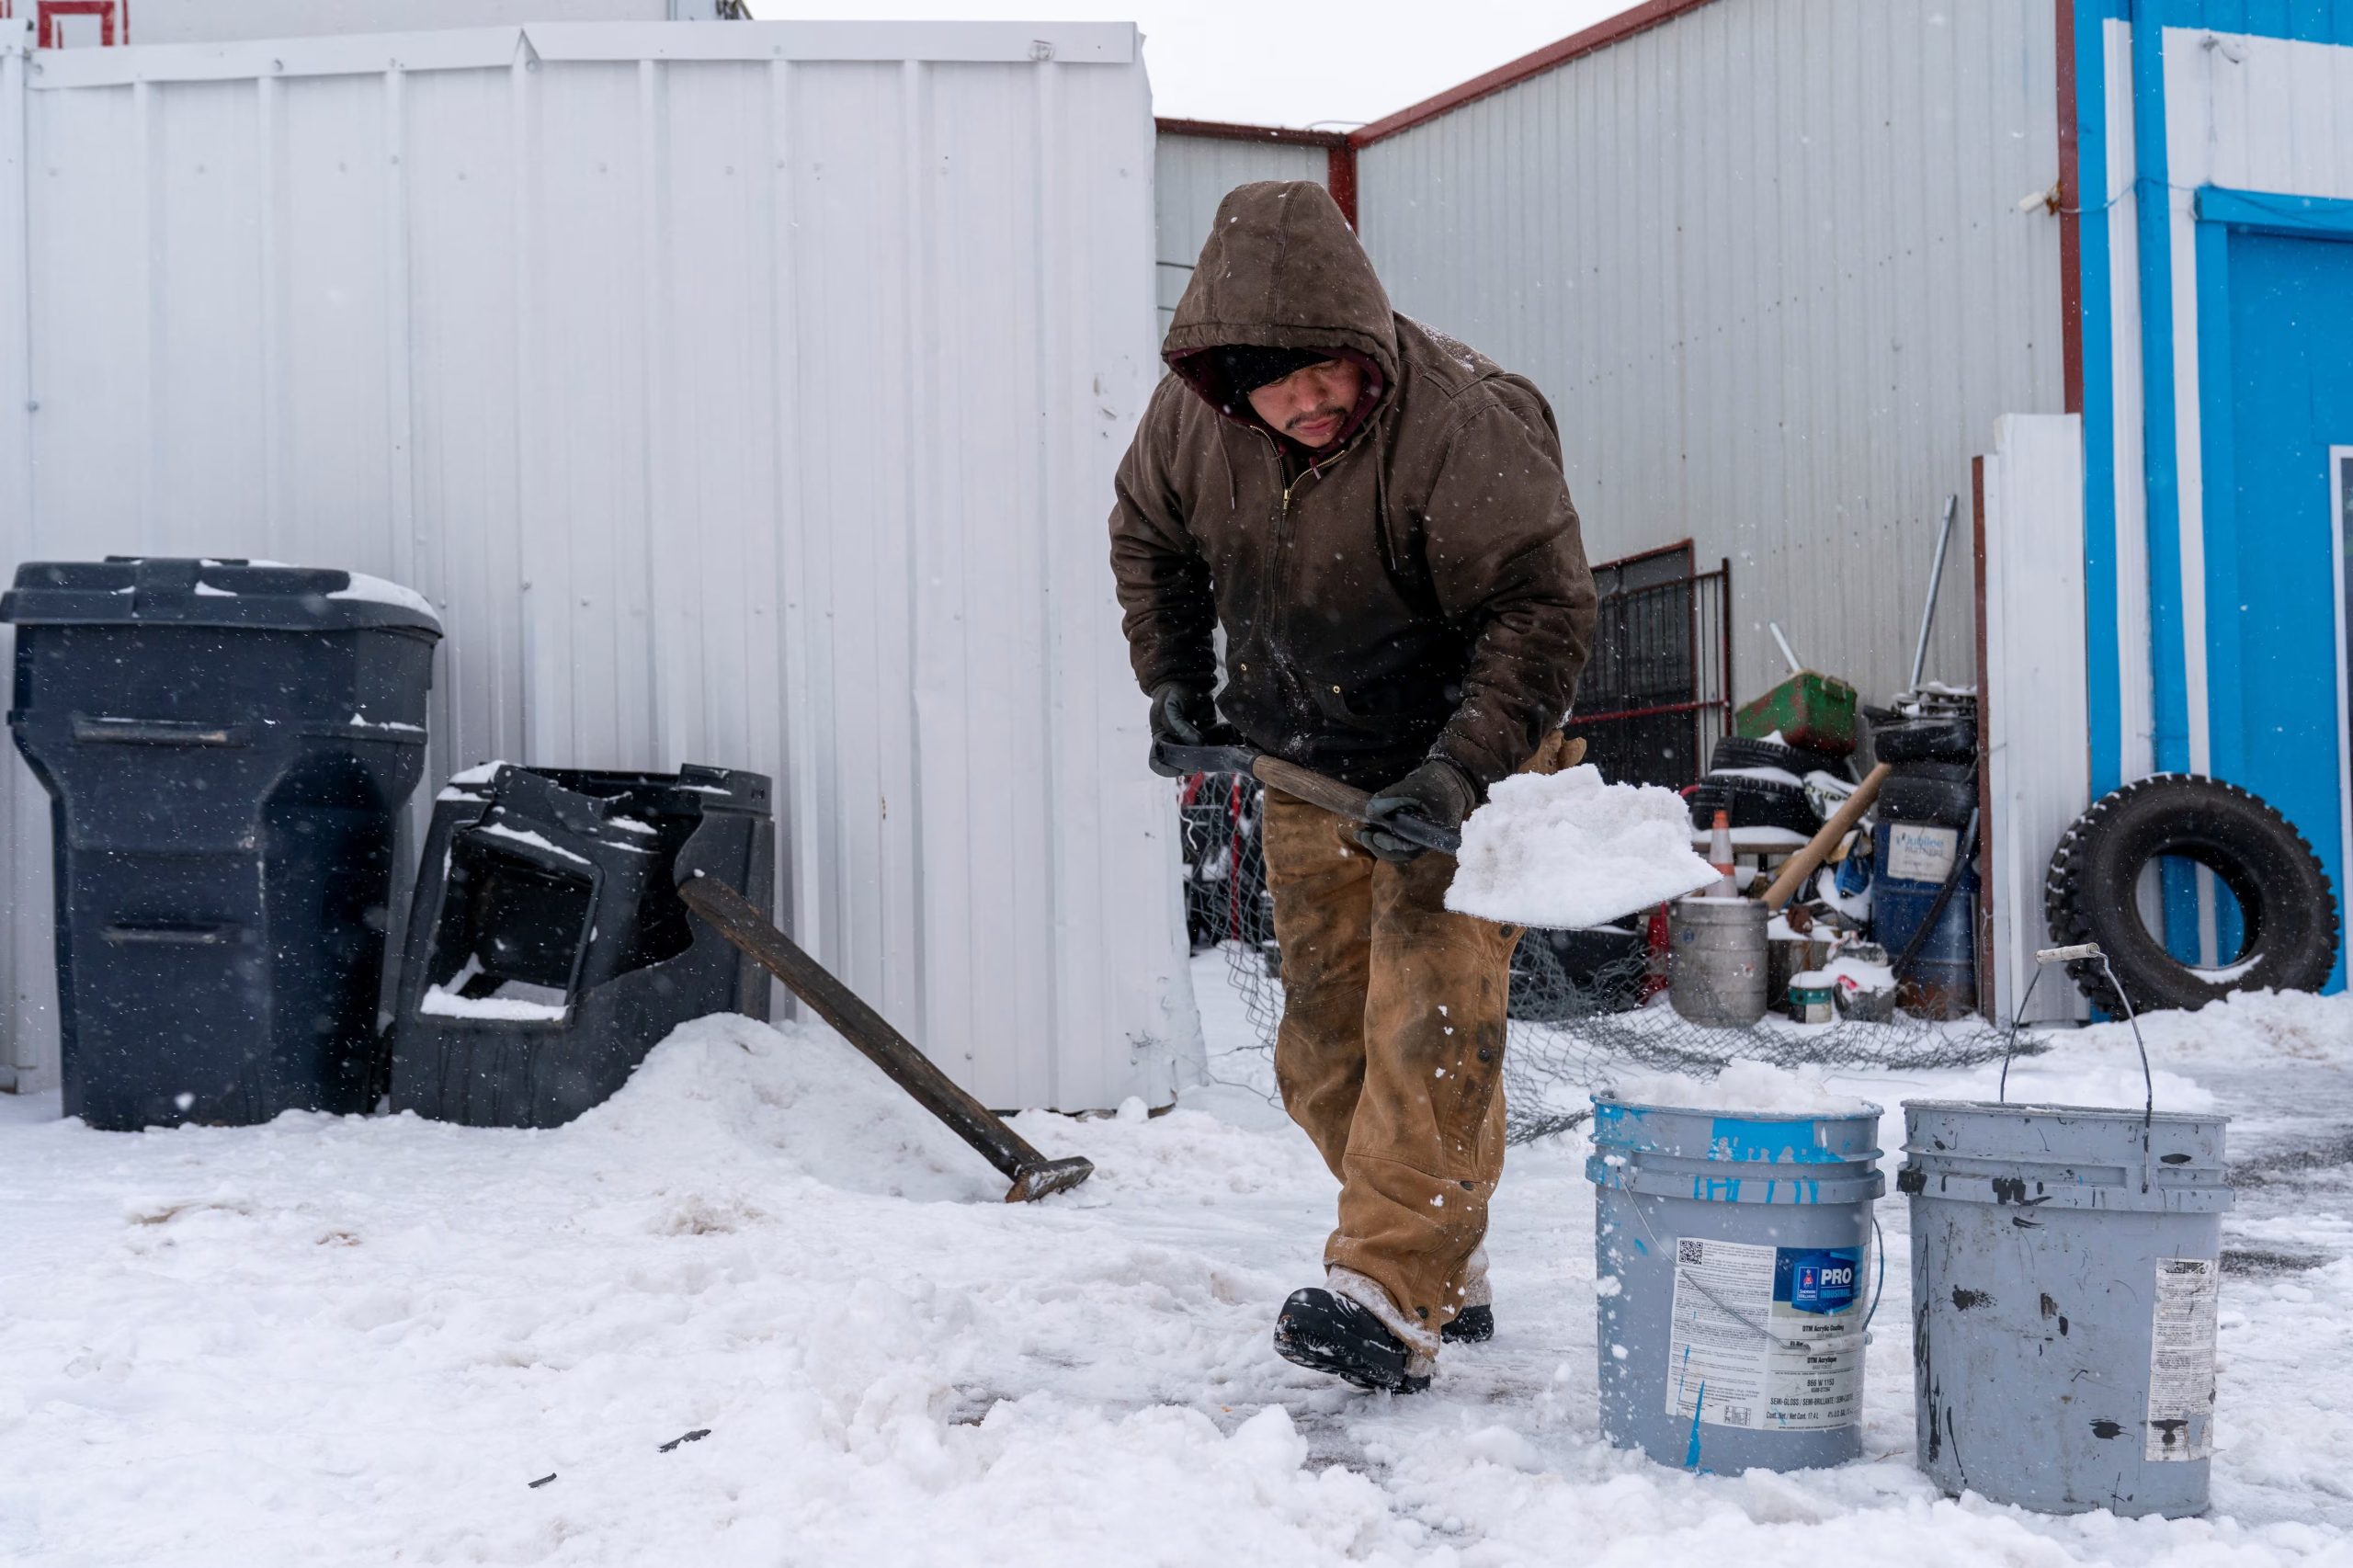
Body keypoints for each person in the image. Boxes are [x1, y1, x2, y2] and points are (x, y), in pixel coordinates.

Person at [1108, 181, 1597, 1393]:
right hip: (1311, 767)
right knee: (1322, 1057)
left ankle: (1384, 1287)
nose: (1320, 397)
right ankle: (1442, 1251)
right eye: (1287, 380)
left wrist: (1458, 770)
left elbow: (1544, 605)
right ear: (1230, 381)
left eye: (1335, 367)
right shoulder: (1186, 427)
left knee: (1429, 1019)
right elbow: (1148, 534)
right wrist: (1173, 676)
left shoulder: (1455, 421)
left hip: (1468, 760)